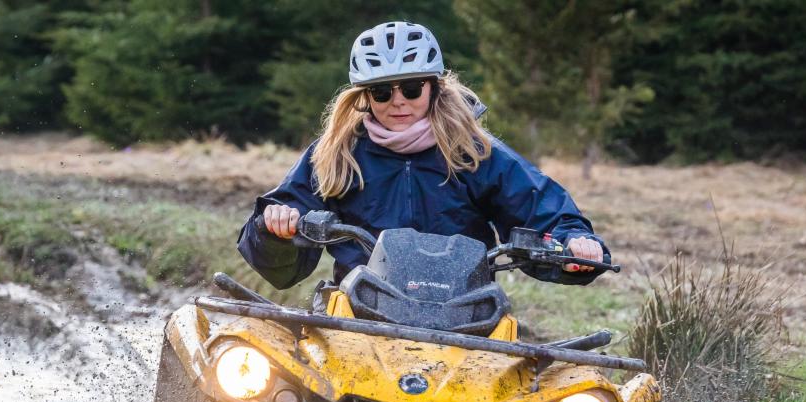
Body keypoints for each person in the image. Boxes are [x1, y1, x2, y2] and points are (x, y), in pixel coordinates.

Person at [237, 20, 610, 295]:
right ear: (365, 97)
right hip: (357, 308)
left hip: (466, 313)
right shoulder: (336, 154)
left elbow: (542, 208)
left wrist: (574, 242)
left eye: (412, 87)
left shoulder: (475, 152)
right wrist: (275, 228)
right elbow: (278, 248)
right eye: (382, 91)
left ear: (434, 87)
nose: (398, 100)